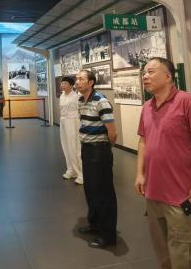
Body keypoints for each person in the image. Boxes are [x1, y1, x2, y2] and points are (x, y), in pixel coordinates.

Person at [135, 57, 191, 269]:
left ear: (168, 76)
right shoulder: (147, 107)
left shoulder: (188, 102)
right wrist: (140, 173)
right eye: (144, 73)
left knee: (184, 255)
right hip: (153, 193)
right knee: (163, 253)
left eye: (151, 71)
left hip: (180, 195)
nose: (145, 76)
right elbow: (143, 141)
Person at [75, 69, 117, 249]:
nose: (77, 81)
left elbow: (112, 132)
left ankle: (108, 235)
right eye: (76, 79)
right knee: (91, 189)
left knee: (104, 193)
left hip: (100, 151)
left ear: (91, 82)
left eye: (81, 79)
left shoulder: (101, 101)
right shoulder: (81, 100)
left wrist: (104, 148)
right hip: (87, 149)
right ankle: (94, 224)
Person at [58, 76, 82, 185]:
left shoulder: (76, 96)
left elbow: (79, 110)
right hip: (63, 122)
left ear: (71, 85)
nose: (62, 85)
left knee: (75, 147)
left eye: (65, 83)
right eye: (62, 83)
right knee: (66, 146)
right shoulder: (62, 96)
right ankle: (71, 170)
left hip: (73, 122)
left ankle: (80, 173)